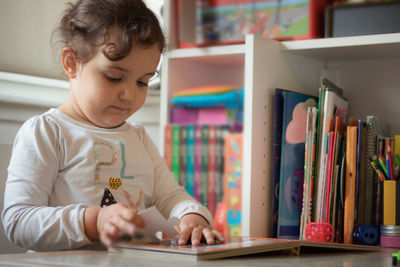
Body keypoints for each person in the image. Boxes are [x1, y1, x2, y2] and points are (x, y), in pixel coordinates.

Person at [2, 0, 223, 251]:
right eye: (114, 77)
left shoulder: (137, 137)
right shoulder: (46, 132)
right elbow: (18, 220)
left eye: (142, 82)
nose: (129, 94)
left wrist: (192, 217)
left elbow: (170, 196)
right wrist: (93, 221)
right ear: (71, 64)